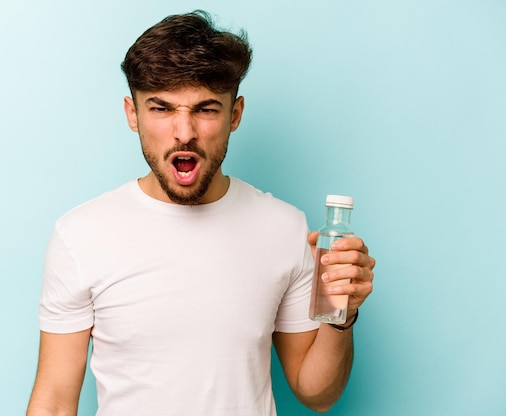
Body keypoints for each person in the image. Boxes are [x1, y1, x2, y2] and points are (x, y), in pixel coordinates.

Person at [27, 10, 375, 416]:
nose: (184, 132)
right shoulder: (81, 235)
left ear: (235, 114)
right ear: (132, 114)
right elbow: (53, 401)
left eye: (206, 109)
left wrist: (340, 315)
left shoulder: (284, 228)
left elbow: (317, 394)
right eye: (161, 109)